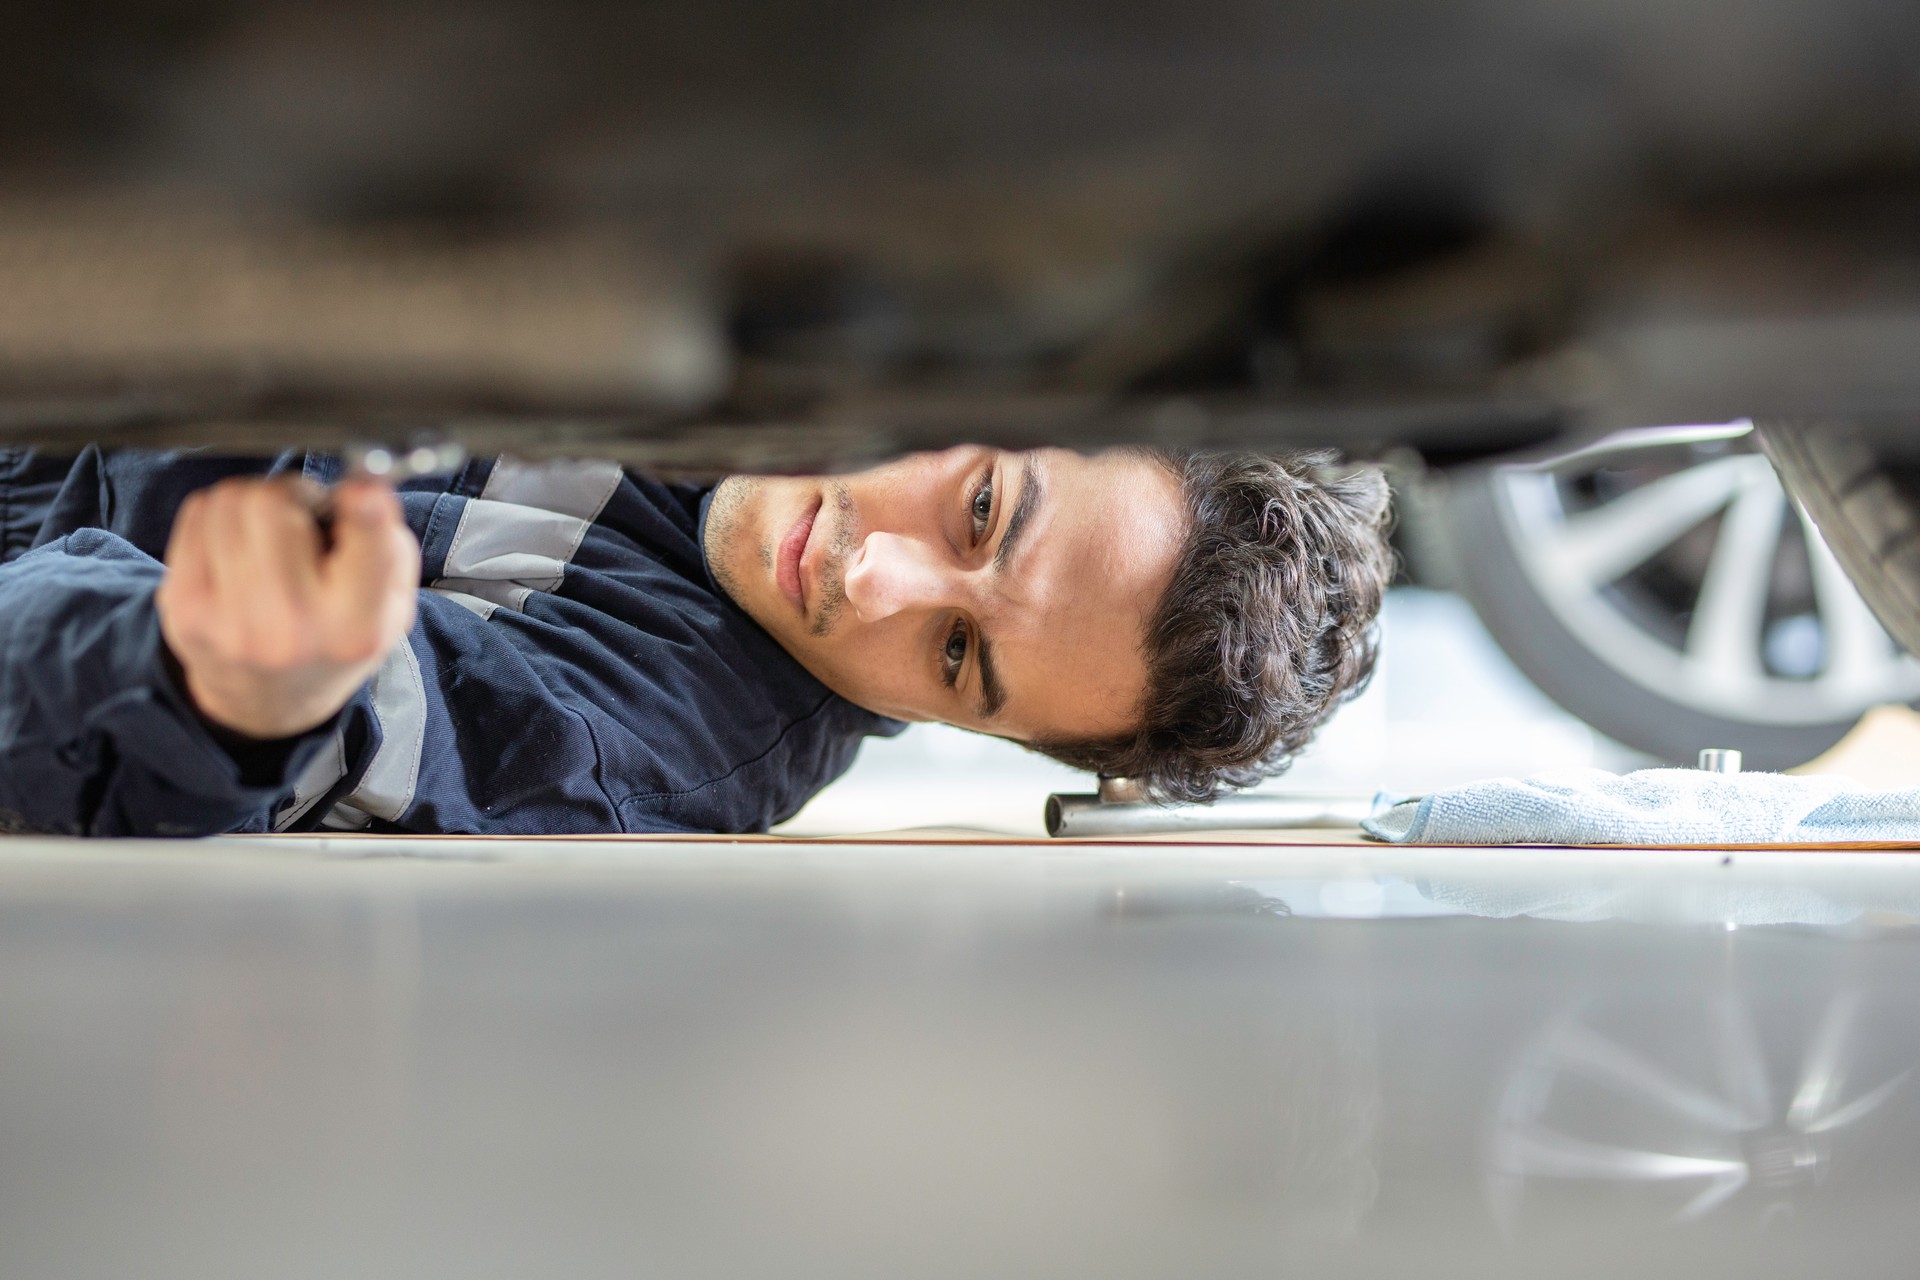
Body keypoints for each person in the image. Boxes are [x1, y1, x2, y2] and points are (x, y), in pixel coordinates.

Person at [0, 443, 1392, 837]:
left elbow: (327, 721)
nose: (873, 576)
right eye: (980, 508)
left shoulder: (648, 744)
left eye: (957, 658)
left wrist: (227, 687)